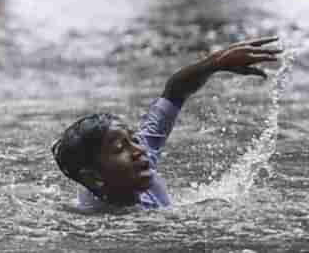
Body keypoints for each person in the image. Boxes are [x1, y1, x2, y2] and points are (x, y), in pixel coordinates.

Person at [52, 36, 282, 213]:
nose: (139, 149)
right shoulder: (92, 223)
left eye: (133, 139)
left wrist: (215, 63)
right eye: (121, 149)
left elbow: (174, 92)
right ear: (93, 177)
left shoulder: (139, 163)